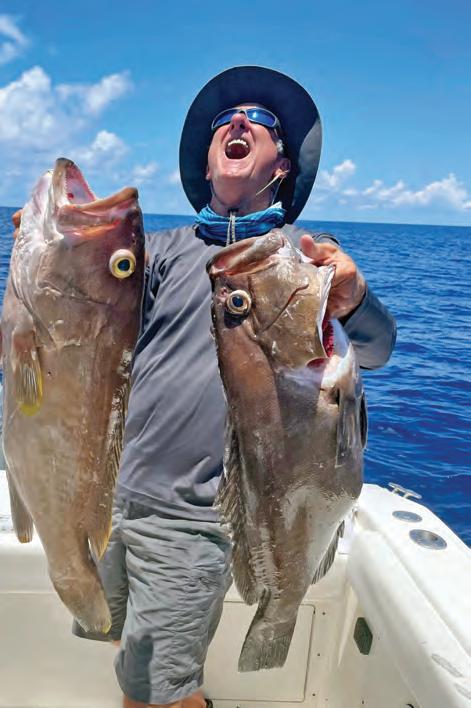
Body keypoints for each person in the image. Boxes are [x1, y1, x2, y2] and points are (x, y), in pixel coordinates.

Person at [73, 66, 396, 708]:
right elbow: (91, 326)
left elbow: (377, 350)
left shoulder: (303, 261)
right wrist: (62, 253)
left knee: (151, 692)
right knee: (124, 643)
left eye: (260, 120)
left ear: (283, 167)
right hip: (111, 496)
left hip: (195, 518)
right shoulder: (159, 252)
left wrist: (354, 298)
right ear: (208, 160)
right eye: (225, 119)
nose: (238, 122)